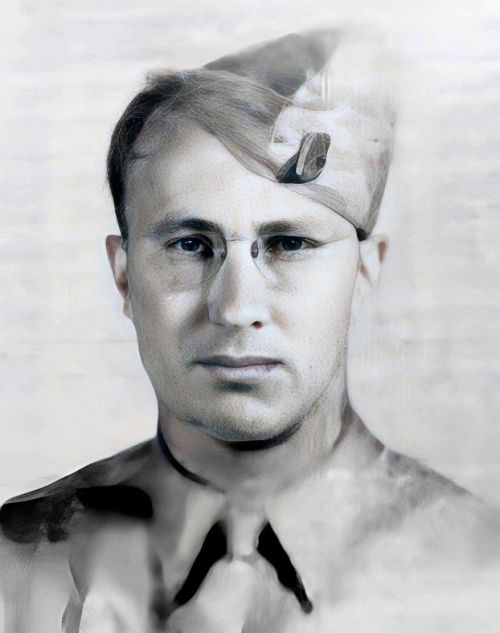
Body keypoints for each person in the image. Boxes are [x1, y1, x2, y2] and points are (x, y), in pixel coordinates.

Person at [1, 28, 498, 633]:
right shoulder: (16, 561)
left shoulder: (479, 572)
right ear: (124, 276)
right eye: (190, 244)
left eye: (290, 243)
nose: (237, 307)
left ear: (364, 274)